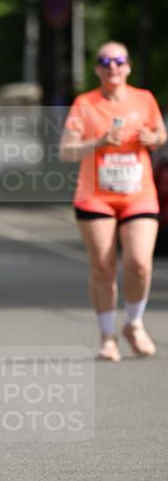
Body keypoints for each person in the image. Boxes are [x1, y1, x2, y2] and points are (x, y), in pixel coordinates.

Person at [60, 41, 166, 360]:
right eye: (105, 61)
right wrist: (100, 141)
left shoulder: (144, 99)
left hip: (139, 194)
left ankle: (133, 323)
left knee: (140, 264)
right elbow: (66, 150)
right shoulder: (85, 103)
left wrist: (154, 139)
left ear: (128, 66)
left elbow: (161, 133)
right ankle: (107, 335)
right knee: (103, 267)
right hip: (96, 198)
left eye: (119, 61)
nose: (113, 67)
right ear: (97, 69)